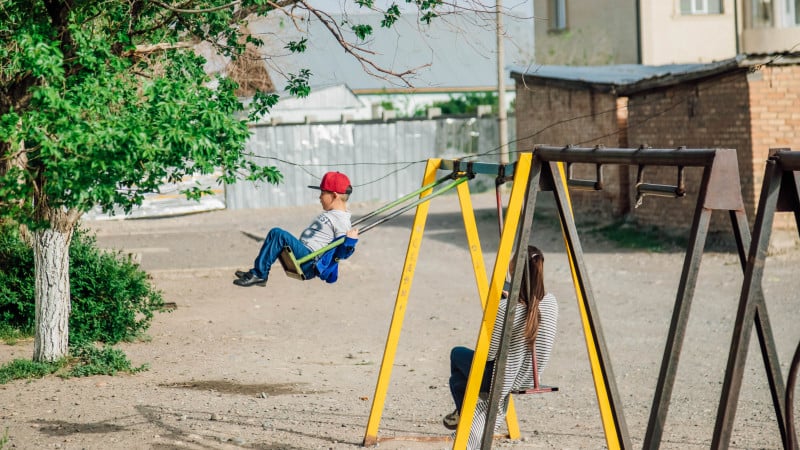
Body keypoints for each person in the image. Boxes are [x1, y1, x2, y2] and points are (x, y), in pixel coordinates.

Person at [443, 245, 558, 447]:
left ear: (513, 271)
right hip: (530, 376)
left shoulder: (507, 308)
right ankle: (467, 406)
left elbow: (489, 355)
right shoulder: (550, 302)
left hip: (505, 377)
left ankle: (466, 412)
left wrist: (499, 308)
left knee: (456, 353)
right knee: (456, 381)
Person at [233, 171, 359, 287]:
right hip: (305, 254)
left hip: (310, 261)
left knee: (278, 234)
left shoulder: (341, 219)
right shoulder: (332, 214)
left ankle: (259, 274)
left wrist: (350, 242)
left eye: (322, 193)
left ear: (334, 195)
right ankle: (257, 272)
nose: (320, 197)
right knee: (274, 234)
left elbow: (341, 253)